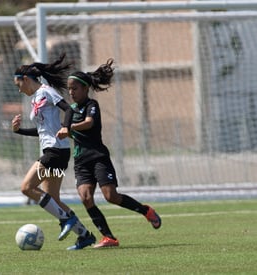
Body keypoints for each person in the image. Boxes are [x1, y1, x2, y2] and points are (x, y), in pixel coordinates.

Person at [56, 58, 162, 248]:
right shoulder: (70, 110)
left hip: (98, 157)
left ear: (85, 88)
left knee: (110, 196)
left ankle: (146, 211)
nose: (71, 92)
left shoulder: (92, 105)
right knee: (85, 197)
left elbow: (89, 123)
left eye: (75, 89)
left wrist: (69, 128)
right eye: (69, 89)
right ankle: (109, 238)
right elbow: (65, 129)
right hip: (80, 161)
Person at [11, 54, 96, 250]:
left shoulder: (46, 91)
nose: (19, 89)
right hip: (54, 151)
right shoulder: (35, 98)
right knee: (54, 199)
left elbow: (68, 110)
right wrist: (19, 130)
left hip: (55, 152)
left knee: (26, 188)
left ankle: (65, 219)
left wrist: (67, 128)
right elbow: (43, 131)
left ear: (25, 79)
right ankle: (85, 236)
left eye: (18, 84)